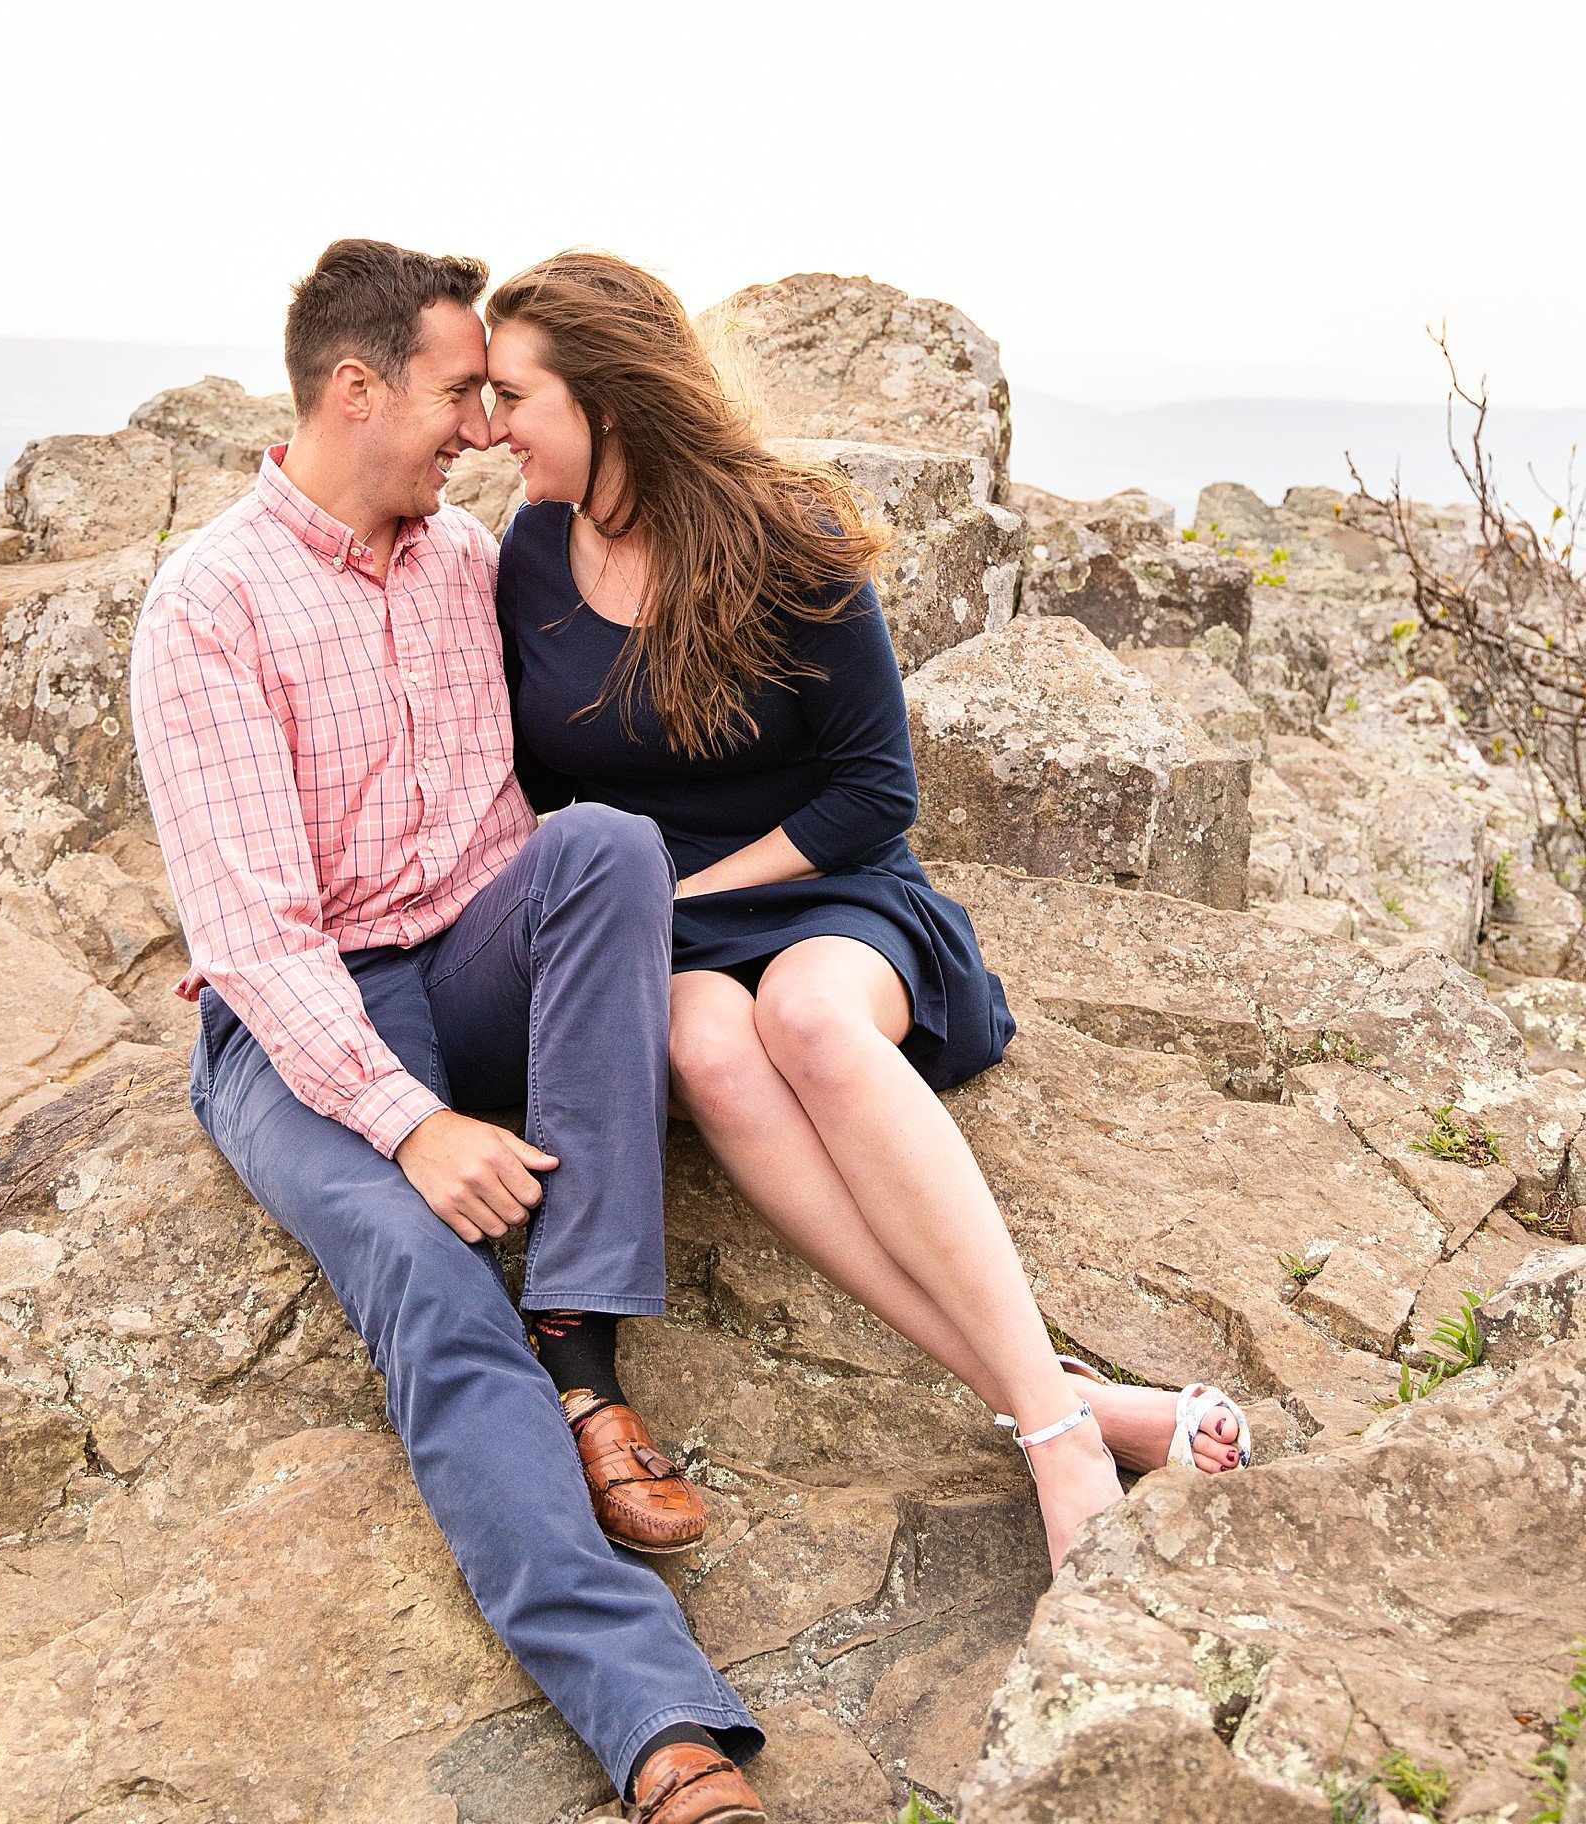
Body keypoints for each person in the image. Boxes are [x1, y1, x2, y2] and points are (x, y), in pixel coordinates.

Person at [487, 252, 1251, 1579]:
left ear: (605, 398)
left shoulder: (785, 535)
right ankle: (1069, 1409)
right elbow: (527, 780)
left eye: (514, 397)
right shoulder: (533, 553)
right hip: (652, 920)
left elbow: (873, 792)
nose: (492, 427)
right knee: (712, 1053)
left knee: (814, 1025)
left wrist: (692, 888)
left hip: (817, 885)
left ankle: (1059, 1432)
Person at [130, 239, 768, 1824]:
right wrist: (409, 1122)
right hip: (301, 1025)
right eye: (458, 393)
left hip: (472, 956)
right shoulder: (207, 608)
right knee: (423, 1268)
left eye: (497, 397)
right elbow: (257, 943)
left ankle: (584, 1343)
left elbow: (607, 738)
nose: (483, 427)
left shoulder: (474, 564)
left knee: (608, 846)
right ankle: (659, 1725)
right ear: (358, 392)